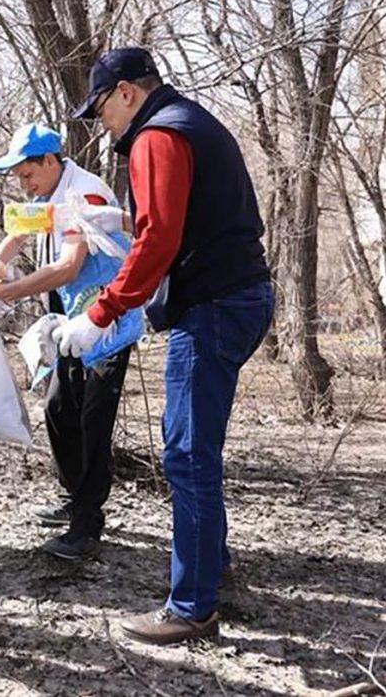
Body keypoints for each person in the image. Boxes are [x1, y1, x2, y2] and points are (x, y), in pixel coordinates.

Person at [59, 48, 275, 644]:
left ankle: (192, 606)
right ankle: (214, 567)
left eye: (100, 107)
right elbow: (182, 220)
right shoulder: (190, 122)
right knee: (196, 449)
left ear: (127, 92)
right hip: (241, 296)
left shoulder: (157, 136)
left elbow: (161, 241)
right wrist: (122, 227)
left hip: (212, 307)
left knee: (185, 455)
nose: (101, 122)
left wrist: (101, 313)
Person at [0, 123, 134, 561]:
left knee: (93, 417)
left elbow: (69, 267)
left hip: (108, 321)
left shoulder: (84, 194)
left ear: (50, 161)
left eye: (28, 175)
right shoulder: (48, 195)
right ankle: (74, 498)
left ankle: (87, 523)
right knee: (58, 407)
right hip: (72, 323)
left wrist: (7, 293)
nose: (25, 185)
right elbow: (19, 229)